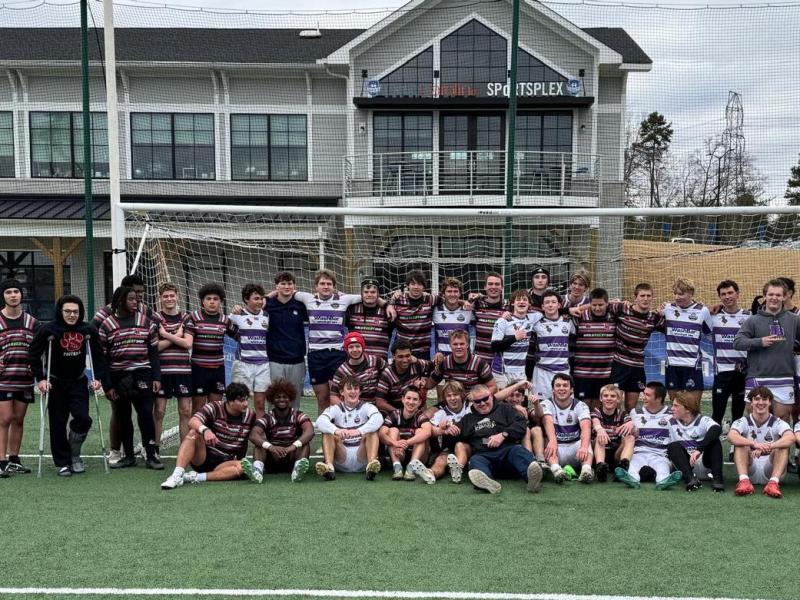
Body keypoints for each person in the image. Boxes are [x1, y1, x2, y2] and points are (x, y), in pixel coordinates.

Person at [28, 294, 105, 477]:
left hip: (78, 381)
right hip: (54, 382)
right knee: (58, 423)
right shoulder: (48, 329)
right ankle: (63, 462)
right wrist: (41, 378)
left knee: (83, 418)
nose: (72, 315)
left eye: (75, 312)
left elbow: (99, 355)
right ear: (60, 312)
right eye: (68, 311)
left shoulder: (88, 330)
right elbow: (33, 354)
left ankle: (74, 453)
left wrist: (98, 378)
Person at [98, 285, 162, 469]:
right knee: (123, 416)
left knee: (145, 414)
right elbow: (103, 359)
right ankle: (128, 457)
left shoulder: (146, 321)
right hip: (118, 376)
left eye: (137, 299)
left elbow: (153, 352)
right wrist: (107, 385)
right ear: (120, 301)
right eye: (131, 299)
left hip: (143, 373)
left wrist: (156, 377)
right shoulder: (107, 325)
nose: (136, 302)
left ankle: (151, 456)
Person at [292, 269, 363, 413]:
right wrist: (266, 298)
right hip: (316, 355)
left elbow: (369, 297)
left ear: (334, 286)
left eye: (329, 284)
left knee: (339, 395)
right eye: (322, 283)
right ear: (316, 286)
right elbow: (286, 292)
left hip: (337, 354)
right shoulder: (307, 298)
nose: (326, 286)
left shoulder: (344, 299)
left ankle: (342, 427)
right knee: (322, 398)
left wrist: (388, 304)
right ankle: (325, 430)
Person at [160, 382, 256, 489]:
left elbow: (256, 434)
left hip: (225, 462)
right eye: (241, 400)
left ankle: (194, 477)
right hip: (203, 457)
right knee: (194, 432)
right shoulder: (215, 407)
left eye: (246, 399)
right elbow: (192, 421)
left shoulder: (250, 416)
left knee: (242, 467)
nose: (246, 404)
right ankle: (176, 475)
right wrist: (205, 430)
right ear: (230, 401)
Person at [453, 384, 543, 494]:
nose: (482, 403)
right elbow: (453, 437)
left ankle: (532, 481)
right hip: (483, 455)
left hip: (508, 452)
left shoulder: (505, 409)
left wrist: (503, 435)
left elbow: (521, 425)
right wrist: (447, 429)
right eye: (477, 401)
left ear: (491, 396)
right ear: (473, 402)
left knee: (518, 451)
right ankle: (488, 483)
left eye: (485, 399)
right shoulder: (467, 420)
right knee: (475, 460)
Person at [734, 279, 800, 422]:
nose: (774, 298)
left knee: (782, 420)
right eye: (771, 295)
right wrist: (759, 342)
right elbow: (737, 342)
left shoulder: (794, 320)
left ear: (784, 297)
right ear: (765, 296)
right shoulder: (753, 320)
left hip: (784, 378)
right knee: (756, 422)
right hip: (757, 378)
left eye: (778, 295)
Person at [0, 278, 39, 475]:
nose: (13, 295)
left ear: (21, 295)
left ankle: (14, 459)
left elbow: (38, 348)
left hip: (24, 378)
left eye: (16, 291)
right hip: (3, 379)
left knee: (19, 419)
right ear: (3, 295)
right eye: (8, 292)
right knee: (4, 418)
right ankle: (1, 461)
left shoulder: (32, 322)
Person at [242, 379, 314, 483]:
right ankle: (257, 471)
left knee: (304, 443)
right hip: (273, 458)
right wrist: (271, 447)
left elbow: (310, 431)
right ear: (272, 399)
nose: (281, 399)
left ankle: (297, 470)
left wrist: (292, 446)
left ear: (290, 399)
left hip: (292, 456)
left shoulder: (298, 415)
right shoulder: (267, 417)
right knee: (259, 444)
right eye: (278, 397)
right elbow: (253, 435)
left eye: (285, 397)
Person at [614, 381, 682, 490]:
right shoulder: (635, 412)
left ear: (659, 398)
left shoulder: (671, 414)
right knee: (633, 468)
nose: (643, 397)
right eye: (644, 393)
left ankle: (664, 481)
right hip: (639, 452)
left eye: (648, 395)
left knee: (662, 469)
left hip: (660, 455)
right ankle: (632, 480)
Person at [728, 386, 793, 498]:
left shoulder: (777, 422)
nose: (761, 402)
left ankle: (773, 483)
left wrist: (770, 446)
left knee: (782, 446)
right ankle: (744, 481)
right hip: (750, 468)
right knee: (740, 443)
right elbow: (731, 436)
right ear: (751, 403)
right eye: (757, 399)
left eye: (764, 399)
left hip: (771, 468)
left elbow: (790, 437)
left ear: (770, 403)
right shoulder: (743, 421)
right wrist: (753, 444)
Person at [609, 283, 665, 411]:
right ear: (636, 297)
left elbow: (672, 328)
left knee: (630, 406)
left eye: (648, 296)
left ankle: (628, 430)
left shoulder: (654, 318)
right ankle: (613, 429)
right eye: (642, 295)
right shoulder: (621, 308)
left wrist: (666, 313)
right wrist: (610, 301)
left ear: (652, 298)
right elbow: (598, 304)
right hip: (619, 364)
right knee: (614, 403)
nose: (645, 299)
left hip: (637, 366)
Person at [314, 376, 383, 481]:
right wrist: (337, 430)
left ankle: (371, 466)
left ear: (360, 392)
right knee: (327, 433)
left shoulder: (367, 407)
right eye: (349, 388)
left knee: (371, 432)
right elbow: (320, 421)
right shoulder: (335, 409)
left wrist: (359, 431)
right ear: (342, 392)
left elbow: (378, 419)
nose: (353, 392)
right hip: (342, 456)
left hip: (362, 456)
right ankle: (329, 467)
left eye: (356, 388)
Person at [184, 283, 238, 411]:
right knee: (198, 408)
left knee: (216, 408)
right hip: (198, 370)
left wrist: (241, 316)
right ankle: (197, 431)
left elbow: (240, 337)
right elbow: (186, 341)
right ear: (202, 301)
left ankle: (214, 431)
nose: (212, 302)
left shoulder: (225, 320)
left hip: (217, 370)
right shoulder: (193, 318)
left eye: (215, 299)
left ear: (221, 302)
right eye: (208, 299)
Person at [153, 283, 193, 448]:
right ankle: (154, 450)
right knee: (160, 412)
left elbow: (187, 344)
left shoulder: (186, 317)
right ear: (160, 298)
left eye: (172, 295)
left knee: (185, 411)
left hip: (183, 371)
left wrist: (164, 335)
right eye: (165, 296)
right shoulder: (155, 318)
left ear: (178, 296)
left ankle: (185, 449)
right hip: (161, 371)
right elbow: (155, 347)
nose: (169, 299)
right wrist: (175, 336)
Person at [661, 278, 712, 400]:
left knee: (692, 408)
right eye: (675, 293)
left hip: (692, 366)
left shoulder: (702, 311)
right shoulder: (667, 309)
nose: (677, 297)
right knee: (676, 406)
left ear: (691, 293)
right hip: (672, 365)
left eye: (681, 294)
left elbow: (710, 335)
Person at [707, 279, 749, 425]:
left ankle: (735, 447)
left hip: (742, 372)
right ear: (720, 297)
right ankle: (714, 445)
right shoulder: (713, 316)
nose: (727, 296)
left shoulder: (749, 317)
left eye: (730, 292)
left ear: (737, 294)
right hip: (722, 372)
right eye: (723, 294)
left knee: (738, 414)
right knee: (717, 414)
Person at [264, 272, 308, 409]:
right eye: (283, 283)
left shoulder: (301, 305)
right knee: (275, 396)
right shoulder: (267, 305)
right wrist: (267, 296)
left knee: (293, 398)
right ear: (276, 286)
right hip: (274, 359)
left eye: (289, 283)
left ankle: (293, 427)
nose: (286, 286)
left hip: (297, 360)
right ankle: (272, 426)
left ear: (294, 286)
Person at [666, 391, 724, 492]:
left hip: (706, 464)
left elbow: (717, 429)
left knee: (715, 441)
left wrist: (699, 450)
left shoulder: (702, 420)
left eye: (676, 406)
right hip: (686, 467)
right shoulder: (670, 421)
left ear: (687, 409)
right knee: (673, 446)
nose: (672, 409)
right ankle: (691, 479)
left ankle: (717, 479)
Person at [541, 373, 593, 483]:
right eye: (558, 385)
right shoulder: (546, 403)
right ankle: (557, 471)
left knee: (586, 441)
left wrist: (583, 447)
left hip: (575, 449)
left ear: (571, 390)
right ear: (553, 389)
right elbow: (547, 421)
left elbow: (586, 426)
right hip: (557, 449)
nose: (561, 388)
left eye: (565, 385)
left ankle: (586, 471)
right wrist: (553, 440)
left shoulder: (581, 405)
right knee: (548, 441)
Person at [570, 288, 616, 409]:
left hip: (604, 373)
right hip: (582, 372)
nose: (597, 308)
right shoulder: (580, 316)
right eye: (594, 305)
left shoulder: (613, 317)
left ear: (607, 303)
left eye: (601, 305)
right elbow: (572, 311)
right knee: (583, 406)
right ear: (589, 304)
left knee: (598, 407)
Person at [229, 283, 270, 417]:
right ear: (246, 299)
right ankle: (239, 431)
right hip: (243, 364)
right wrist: (238, 337)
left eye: (261, 298)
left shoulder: (266, 316)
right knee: (240, 402)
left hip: (263, 365)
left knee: (259, 403)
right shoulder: (237, 314)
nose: (259, 301)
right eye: (256, 298)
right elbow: (225, 328)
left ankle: (259, 432)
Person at [379, 386, 435, 483]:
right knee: (393, 430)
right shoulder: (394, 414)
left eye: (415, 399)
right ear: (403, 399)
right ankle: (397, 466)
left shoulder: (420, 416)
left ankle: (411, 467)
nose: (411, 402)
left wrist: (407, 442)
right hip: (399, 454)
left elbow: (427, 432)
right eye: (408, 398)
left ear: (419, 402)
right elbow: (381, 434)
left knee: (420, 432)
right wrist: (395, 443)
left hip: (419, 455)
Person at [526, 290, 575, 399]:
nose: (550, 305)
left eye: (553, 302)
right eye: (547, 302)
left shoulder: (568, 322)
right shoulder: (536, 324)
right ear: (542, 306)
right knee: (540, 406)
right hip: (542, 371)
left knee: (564, 404)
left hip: (563, 370)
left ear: (559, 305)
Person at [491, 289, 542, 387]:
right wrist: (514, 338)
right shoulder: (502, 321)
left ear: (529, 304)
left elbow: (549, 310)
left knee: (521, 401)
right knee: (501, 401)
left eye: (525, 300)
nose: (522, 302)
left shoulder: (532, 318)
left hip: (521, 372)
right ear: (512, 303)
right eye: (518, 299)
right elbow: (494, 347)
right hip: (502, 372)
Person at [428, 380, 472, 483]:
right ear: (445, 398)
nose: (452, 398)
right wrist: (442, 430)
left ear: (462, 395)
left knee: (459, 445)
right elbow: (429, 430)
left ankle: (458, 469)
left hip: (468, 447)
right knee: (440, 460)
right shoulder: (441, 413)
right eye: (449, 396)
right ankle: (430, 474)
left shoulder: (470, 408)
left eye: (455, 395)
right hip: (448, 449)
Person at [387, 270, 436, 360]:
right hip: (402, 351)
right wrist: (389, 304)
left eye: (419, 284)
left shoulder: (430, 299)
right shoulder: (398, 299)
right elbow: (382, 302)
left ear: (424, 287)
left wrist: (464, 302)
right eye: (413, 284)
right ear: (408, 285)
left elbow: (450, 300)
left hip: (423, 351)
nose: (416, 287)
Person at [429, 330, 496, 396]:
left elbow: (492, 387)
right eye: (455, 344)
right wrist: (421, 381)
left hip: (473, 403)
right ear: (450, 345)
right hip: (452, 402)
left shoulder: (480, 364)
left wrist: (478, 397)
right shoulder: (445, 363)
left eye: (462, 344)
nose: (458, 347)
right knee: (433, 407)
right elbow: (430, 383)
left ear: (467, 345)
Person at [375, 340, 433, 413]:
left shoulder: (417, 364)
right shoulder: (387, 374)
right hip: (395, 410)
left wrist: (426, 383)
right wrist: (400, 413)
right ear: (394, 356)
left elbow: (435, 366)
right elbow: (380, 402)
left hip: (415, 408)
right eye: (400, 357)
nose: (405, 360)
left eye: (407, 356)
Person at [329, 332, 386, 405]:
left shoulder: (376, 361)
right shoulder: (342, 370)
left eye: (358, 346)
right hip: (354, 407)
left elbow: (390, 374)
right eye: (351, 347)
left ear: (363, 347)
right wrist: (346, 410)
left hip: (376, 406)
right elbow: (333, 396)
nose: (355, 350)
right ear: (346, 350)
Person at [591, 384, 632, 482]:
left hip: (616, 454)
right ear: (601, 398)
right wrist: (600, 430)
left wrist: (631, 424)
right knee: (599, 437)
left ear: (619, 399)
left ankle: (622, 468)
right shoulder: (596, 412)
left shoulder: (622, 414)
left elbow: (634, 431)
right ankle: (600, 468)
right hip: (599, 452)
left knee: (630, 437)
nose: (609, 398)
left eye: (613, 396)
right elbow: (595, 422)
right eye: (605, 396)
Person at [470, 272, 506, 381]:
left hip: (501, 361)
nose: (493, 287)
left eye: (497, 284)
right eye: (490, 284)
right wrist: (471, 299)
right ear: (485, 287)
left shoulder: (509, 306)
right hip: (480, 360)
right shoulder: (477, 305)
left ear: (502, 287)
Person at [345, 278, 392, 361]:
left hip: (380, 363)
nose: (369, 294)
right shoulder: (351, 309)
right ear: (361, 294)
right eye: (366, 292)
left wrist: (387, 305)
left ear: (378, 294)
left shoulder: (387, 311)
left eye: (373, 292)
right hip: (357, 363)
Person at [432, 277, 474, 356]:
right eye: (449, 291)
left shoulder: (468, 310)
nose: (452, 294)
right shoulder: (435, 310)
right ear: (443, 294)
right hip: (442, 357)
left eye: (455, 291)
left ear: (460, 293)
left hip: (463, 358)